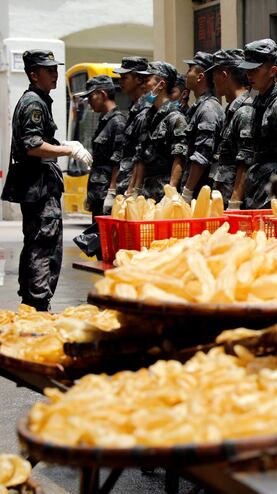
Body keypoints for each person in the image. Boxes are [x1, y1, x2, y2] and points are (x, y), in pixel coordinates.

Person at [2, 50, 93, 311]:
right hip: (38, 188)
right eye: (48, 70)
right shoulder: (33, 102)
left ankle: (32, 301)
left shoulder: (39, 100)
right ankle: (39, 305)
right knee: (44, 246)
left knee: (37, 244)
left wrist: (61, 145)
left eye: (55, 69)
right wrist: (68, 149)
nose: (55, 74)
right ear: (34, 74)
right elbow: (31, 145)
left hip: (38, 186)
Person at [235, 39, 277, 210]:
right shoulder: (259, 100)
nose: (249, 75)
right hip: (257, 188)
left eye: (255, 70)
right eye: (248, 70)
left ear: (273, 71)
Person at [127, 62, 188, 202]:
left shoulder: (175, 118)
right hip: (146, 194)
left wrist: (170, 193)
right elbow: (141, 157)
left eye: (147, 80)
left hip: (163, 194)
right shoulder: (147, 116)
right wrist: (133, 191)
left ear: (161, 84)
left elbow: (179, 159)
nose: (143, 85)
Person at [175, 51, 225, 203]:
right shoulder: (198, 107)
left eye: (190, 69)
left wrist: (187, 191)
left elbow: (202, 156)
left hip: (200, 194)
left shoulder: (207, 109)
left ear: (200, 76)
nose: (186, 73)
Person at [75, 75, 127, 217]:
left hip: (107, 195)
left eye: (91, 97)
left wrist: (112, 192)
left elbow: (118, 160)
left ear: (102, 94)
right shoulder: (104, 121)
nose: (89, 102)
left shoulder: (118, 122)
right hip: (98, 194)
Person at [207, 48, 253, 206]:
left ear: (224, 75)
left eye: (214, 75)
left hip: (233, 204)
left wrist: (235, 202)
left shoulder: (245, 111)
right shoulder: (232, 110)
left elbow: (245, 163)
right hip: (223, 199)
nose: (212, 81)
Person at [109, 56, 155, 201]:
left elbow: (140, 156)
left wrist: (133, 191)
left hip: (135, 192)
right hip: (125, 186)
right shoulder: (134, 109)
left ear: (139, 79)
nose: (120, 81)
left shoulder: (146, 111)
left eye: (125, 77)